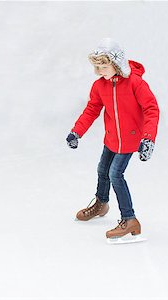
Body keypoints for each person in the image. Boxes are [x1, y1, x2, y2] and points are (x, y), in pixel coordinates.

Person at [66, 38, 159, 242]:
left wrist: (148, 139)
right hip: (111, 139)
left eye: (104, 66)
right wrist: (77, 132)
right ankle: (102, 203)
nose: (99, 71)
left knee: (115, 174)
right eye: (97, 67)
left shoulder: (135, 83)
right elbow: (92, 110)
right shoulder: (100, 86)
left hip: (130, 140)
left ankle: (130, 219)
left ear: (116, 64)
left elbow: (151, 109)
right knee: (102, 170)